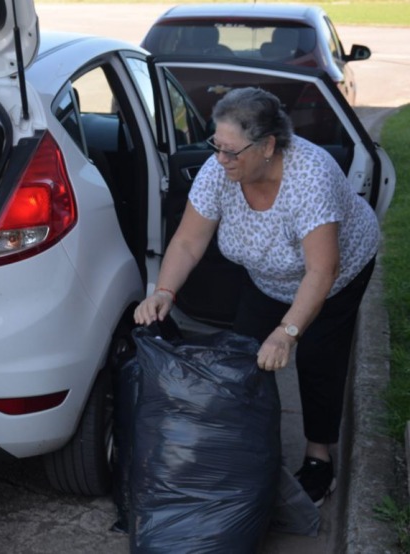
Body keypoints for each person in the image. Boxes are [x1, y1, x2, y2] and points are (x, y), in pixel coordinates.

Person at [134, 87, 379, 508]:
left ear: (268, 146)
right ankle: (245, 445)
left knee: (318, 357)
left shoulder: (310, 177)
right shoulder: (219, 170)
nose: (221, 159)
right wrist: (164, 292)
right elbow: (189, 241)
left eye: (232, 152)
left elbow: (323, 270)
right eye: (217, 146)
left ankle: (320, 458)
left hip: (337, 276)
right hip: (266, 275)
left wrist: (288, 332)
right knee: (245, 354)